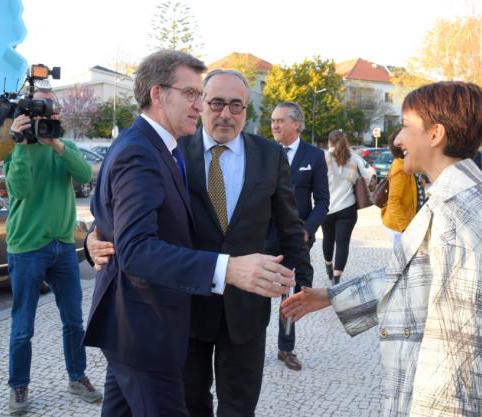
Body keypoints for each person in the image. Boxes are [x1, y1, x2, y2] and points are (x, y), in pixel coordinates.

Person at [282, 81, 482, 417]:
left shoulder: (459, 212)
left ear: (435, 134)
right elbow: (412, 275)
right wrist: (331, 296)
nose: (398, 140)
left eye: (404, 126)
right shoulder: (452, 196)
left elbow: (456, 341)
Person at [87, 68, 311, 417]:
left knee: (239, 406)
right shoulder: (174, 149)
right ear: (202, 104)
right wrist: (93, 240)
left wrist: (303, 279)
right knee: (191, 403)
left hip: (246, 309)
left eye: (236, 106)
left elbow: (289, 224)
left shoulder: (270, 155)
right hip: (186, 306)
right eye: (217, 103)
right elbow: (131, 212)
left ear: (247, 112)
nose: (226, 114)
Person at [5, 87, 102, 415]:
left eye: (54, 117)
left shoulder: (65, 148)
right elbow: (19, 189)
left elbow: (86, 175)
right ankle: (18, 386)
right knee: (23, 325)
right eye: (44, 117)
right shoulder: (16, 151)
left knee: (74, 320)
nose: (50, 122)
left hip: (62, 246)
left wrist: (57, 144)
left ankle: (77, 377)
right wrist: (20, 147)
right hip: (26, 246)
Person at [267, 101, 329, 371]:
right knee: (256, 292)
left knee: (291, 294)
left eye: (280, 120)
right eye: (273, 120)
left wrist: (307, 230)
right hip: (265, 237)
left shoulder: (314, 156)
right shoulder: (266, 153)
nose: (275, 125)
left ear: (296, 123)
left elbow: (323, 202)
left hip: (298, 239)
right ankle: (247, 347)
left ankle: (286, 348)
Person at [321, 130, 373, 284]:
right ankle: (336, 278)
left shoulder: (323, 157)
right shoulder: (354, 157)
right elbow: (367, 177)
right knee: (343, 243)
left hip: (327, 208)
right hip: (348, 208)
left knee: (328, 239)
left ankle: (328, 265)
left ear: (329, 142)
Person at [380, 128, 426, 244]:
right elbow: (393, 201)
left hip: (408, 223)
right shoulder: (401, 169)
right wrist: (405, 228)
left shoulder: (407, 163)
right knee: (403, 261)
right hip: (399, 228)